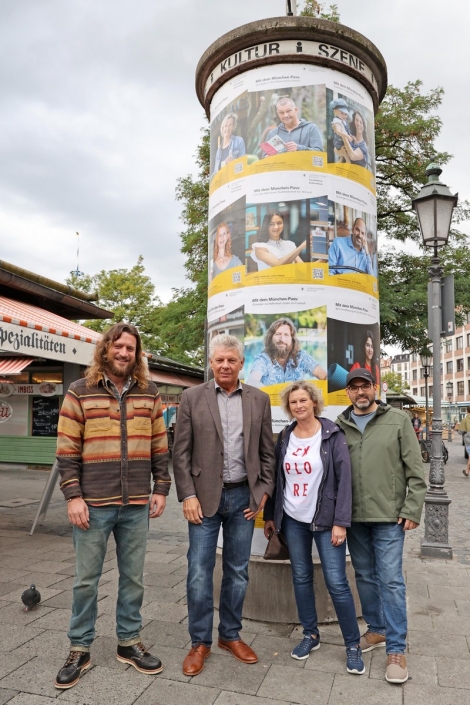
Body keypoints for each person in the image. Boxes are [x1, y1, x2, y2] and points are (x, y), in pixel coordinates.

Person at [54, 323, 170, 690]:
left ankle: (128, 642)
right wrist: (73, 496)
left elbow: (159, 448)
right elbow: (66, 451)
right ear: (106, 349)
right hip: (92, 504)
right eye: (118, 346)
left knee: (133, 579)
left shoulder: (150, 394)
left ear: (137, 355)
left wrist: (161, 488)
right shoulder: (79, 391)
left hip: (136, 503)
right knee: (86, 581)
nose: (124, 353)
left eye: (130, 349)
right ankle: (79, 648)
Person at [172, 334, 275, 677]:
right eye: (219, 360)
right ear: (211, 363)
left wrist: (263, 492)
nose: (225, 365)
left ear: (241, 363)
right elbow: (181, 453)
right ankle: (199, 641)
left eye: (231, 360)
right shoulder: (191, 398)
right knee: (199, 572)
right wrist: (186, 495)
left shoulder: (259, 400)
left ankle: (229, 635)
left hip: (244, 499)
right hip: (203, 499)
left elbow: (266, 453)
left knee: (237, 571)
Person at [264, 381, 365, 675]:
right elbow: (276, 480)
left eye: (303, 401)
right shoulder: (284, 436)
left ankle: (352, 645)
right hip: (293, 520)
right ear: (289, 407)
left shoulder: (332, 434)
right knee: (301, 577)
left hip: (325, 521)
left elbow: (345, 481)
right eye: (293, 402)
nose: (298, 406)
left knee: (336, 582)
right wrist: (272, 515)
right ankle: (310, 634)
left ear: (314, 403)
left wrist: (340, 523)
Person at [336, 368, 426, 684]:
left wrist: (412, 508)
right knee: (364, 576)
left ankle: (397, 649)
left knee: (390, 580)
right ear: (347, 392)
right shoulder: (339, 425)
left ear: (375, 388)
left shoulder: (398, 421)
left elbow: (415, 470)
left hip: (390, 517)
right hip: (355, 517)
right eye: (354, 388)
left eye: (365, 387)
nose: (360, 393)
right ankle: (377, 629)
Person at [247, 318, 327, 388]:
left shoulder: (301, 357)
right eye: (278, 334)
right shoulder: (263, 359)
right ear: (270, 337)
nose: (282, 339)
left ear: (292, 340)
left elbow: (325, 376)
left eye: (286, 335)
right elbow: (251, 382)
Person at [330, 98, 354, 162]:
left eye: (345, 114)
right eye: (342, 113)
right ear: (335, 111)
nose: (344, 115)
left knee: (343, 156)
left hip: (344, 141)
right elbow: (338, 131)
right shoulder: (336, 120)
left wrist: (350, 135)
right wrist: (347, 136)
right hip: (340, 142)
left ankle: (341, 161)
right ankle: (346, 162)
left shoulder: (343, 121)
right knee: (346, 155)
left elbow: (346, 130)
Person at [458, 406, 470, 476]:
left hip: (468, 441)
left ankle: (467, 471)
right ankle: (467, 471)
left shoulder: (465, 420)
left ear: (467, 411)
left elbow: (461, 431)